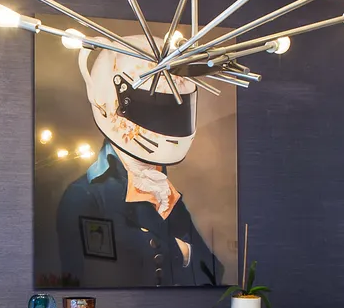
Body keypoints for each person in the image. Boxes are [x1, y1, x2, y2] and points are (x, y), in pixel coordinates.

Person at [56, 36, 222, 287]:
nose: (164, 126)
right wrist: (181, 251)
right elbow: (86, 281)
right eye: (152, 110)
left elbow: (212, 271)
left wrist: (182, 252)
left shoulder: (163, 189)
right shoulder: (84, 195)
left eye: (172, 111)